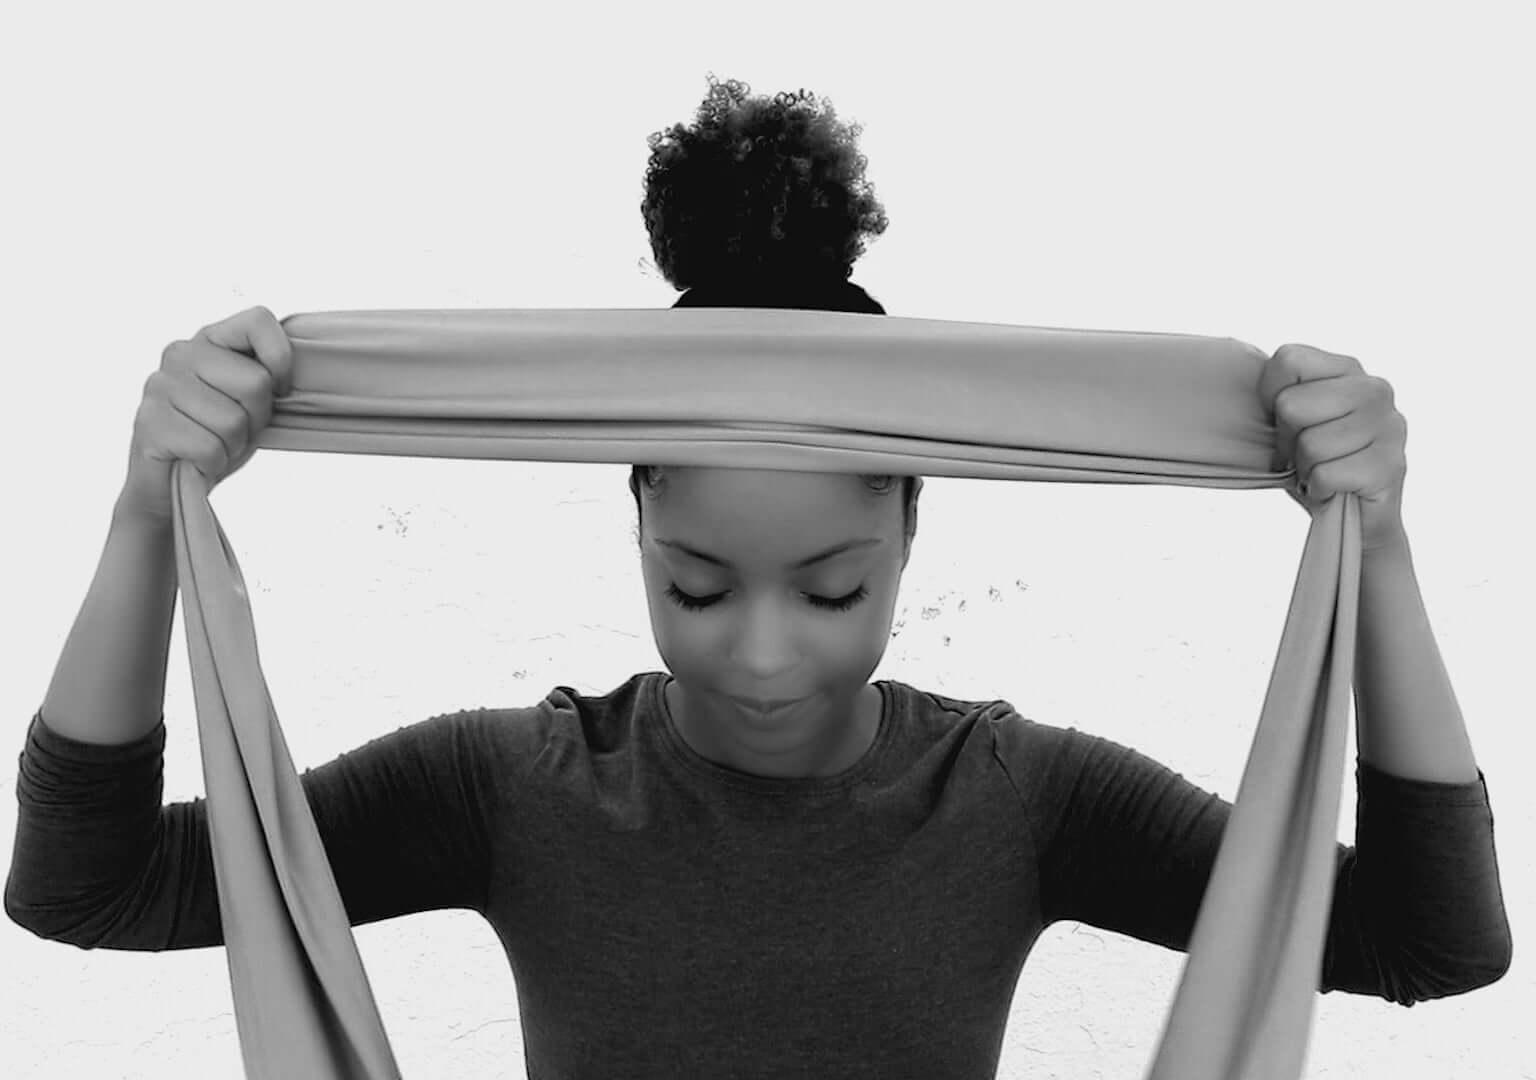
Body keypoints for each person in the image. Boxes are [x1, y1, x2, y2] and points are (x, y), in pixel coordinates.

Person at [5, 74, 1511, 1080]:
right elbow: (91, 887)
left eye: (833, 590)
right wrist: (146, 512)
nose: (767, 657)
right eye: (701, 589)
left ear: (913, 527)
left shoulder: (1014, 798)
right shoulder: (515, 788)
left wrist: (1374, 544)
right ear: (636, 522)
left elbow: (1429, 941)